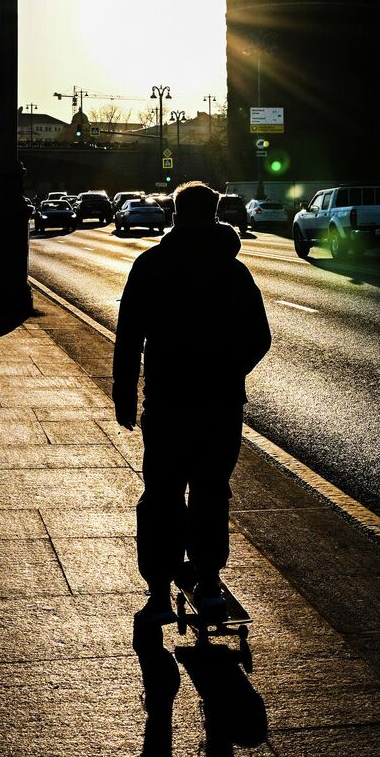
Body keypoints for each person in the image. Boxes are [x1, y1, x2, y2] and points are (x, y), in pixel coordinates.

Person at [113, 182, 271, 623]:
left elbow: (128, 339)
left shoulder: (151, 265)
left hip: (166, 403)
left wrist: (124, 397)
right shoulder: (233, 271)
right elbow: (260, 337)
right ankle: (207, 580)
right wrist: (228, 372)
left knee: (161, 494)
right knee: (211, 492)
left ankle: (159, 589)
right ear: (217, 214)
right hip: (220, 407)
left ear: (176, 216)